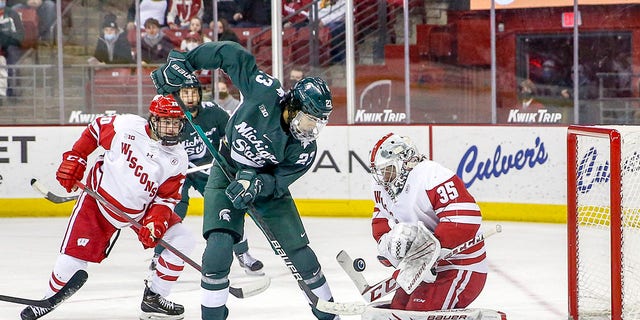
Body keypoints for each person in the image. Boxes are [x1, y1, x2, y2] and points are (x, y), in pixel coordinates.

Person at [150, 41, 340, 320]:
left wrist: (256, 184)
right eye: (310, 119)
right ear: (293, 106)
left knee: (300, 253)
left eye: (318, 122)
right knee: (218, 250)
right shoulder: (264, 92)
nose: (313, 129)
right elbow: (230, 54)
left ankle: (328, 313)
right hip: (227, 169)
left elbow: (278, 182)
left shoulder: (304, 150)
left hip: (264, 187)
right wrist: (186, 61)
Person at [19, 95, 196, 320]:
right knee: (71, 260)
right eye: (165, 122)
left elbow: (166, 197)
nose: (171, 129)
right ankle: (46, 300)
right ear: (152, 118)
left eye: (176, 123)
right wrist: (77, 157)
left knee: (183, 239)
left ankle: (154, 299)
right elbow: (95, 130)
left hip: (140, 211)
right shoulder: (126, 126)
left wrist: (156, 220)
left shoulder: (178, 157)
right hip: (98, 202)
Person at [149, 77, 265, 276]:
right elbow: (152, 141)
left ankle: (243, 254)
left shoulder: (213, 113)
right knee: (171, 210)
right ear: (177, 95)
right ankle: (158, 255)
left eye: (193, 92)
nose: (190, 97)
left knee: (228, 206)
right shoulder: (170, 114)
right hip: (177, 171)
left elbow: (233, 136)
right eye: (185, 92)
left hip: (208, 169)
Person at [369, 132, 487, 312]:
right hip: (419, 268)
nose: (383, 178)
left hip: (459, 264)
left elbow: (465, 219)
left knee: (420, 310)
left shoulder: (431, 175)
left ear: (405, 161)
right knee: (398, 309)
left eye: (388, 170)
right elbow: (380, 217)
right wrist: (388, 244)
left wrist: (425, 247)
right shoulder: (382, 186)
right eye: (381, 172)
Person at [0, 0, 24, 97]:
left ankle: (11, 90)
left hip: (9, 45)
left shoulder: (12, 14)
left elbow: (20, 35)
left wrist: (5, 41)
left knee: (12, 53)